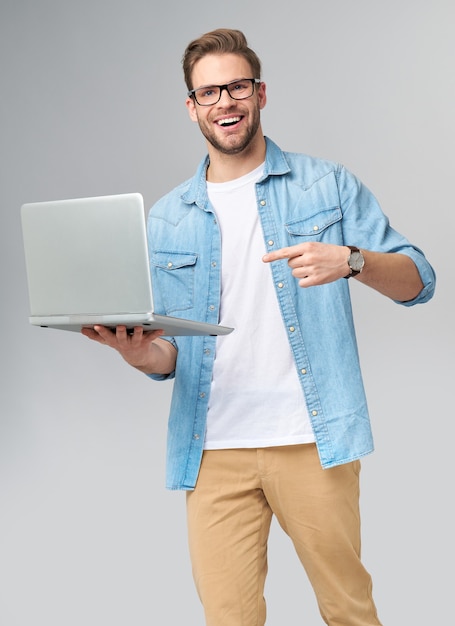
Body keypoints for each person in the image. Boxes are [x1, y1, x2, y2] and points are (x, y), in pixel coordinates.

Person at [82, 28, 436, 626]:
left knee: (348, 610)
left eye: (237, 85)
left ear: (261, 93)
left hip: (311, 438)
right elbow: (172, 350)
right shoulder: (168, 218)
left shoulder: (327, 185)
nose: (226, 101)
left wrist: (350, 260)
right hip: (212, 448)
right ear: (191, 107)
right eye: (209, 91)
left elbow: (419, 280)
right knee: (228, 618)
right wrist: (142, 356)